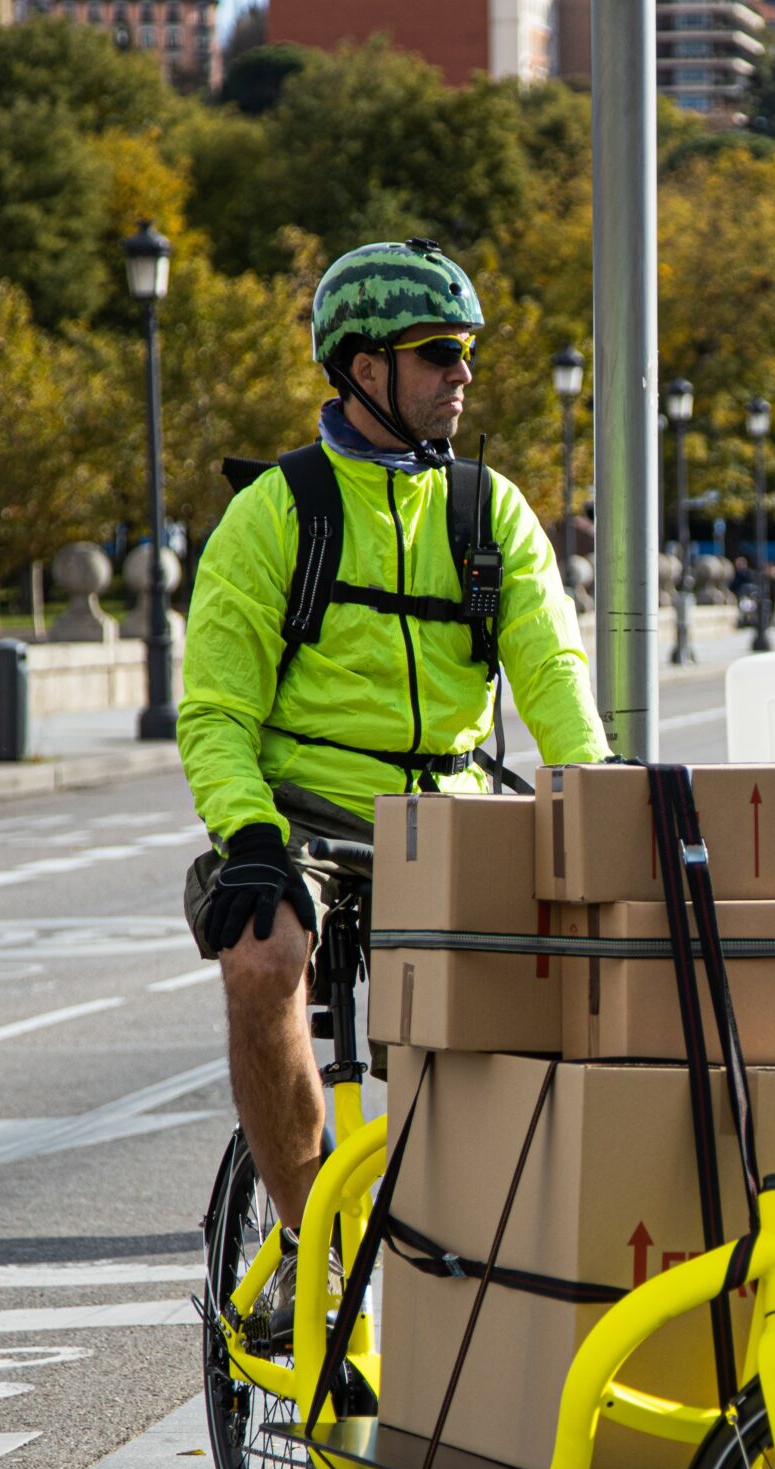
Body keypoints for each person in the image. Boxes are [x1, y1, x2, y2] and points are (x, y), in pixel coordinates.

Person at [177, 238, 609, 1249]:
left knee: (557, 990)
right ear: (365, 369)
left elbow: (551, 671)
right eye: (437, 352)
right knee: (260, 952)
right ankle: (301, 1244)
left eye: (466, 352)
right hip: (306, 819)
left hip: (451, 814)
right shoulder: (277, 513)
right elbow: (217, 711)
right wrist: (248, 836)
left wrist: (590, 782)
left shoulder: (486, 509)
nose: (462, 373)